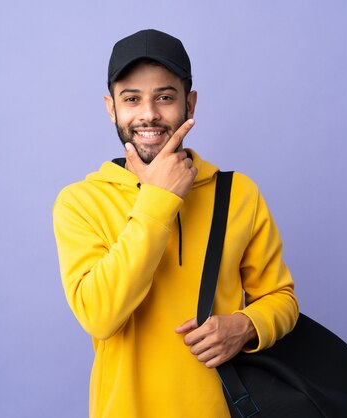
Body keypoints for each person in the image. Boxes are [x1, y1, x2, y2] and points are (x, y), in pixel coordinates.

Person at [52, 29, 299, 418]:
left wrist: (245, 325)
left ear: (191, 103)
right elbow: (98, 315)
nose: (148, 113)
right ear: (111, 107)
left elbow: (282, 299)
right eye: (131, 99)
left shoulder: (236, 193)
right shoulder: (80, 202)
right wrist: (159, 200)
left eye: (165, 97)